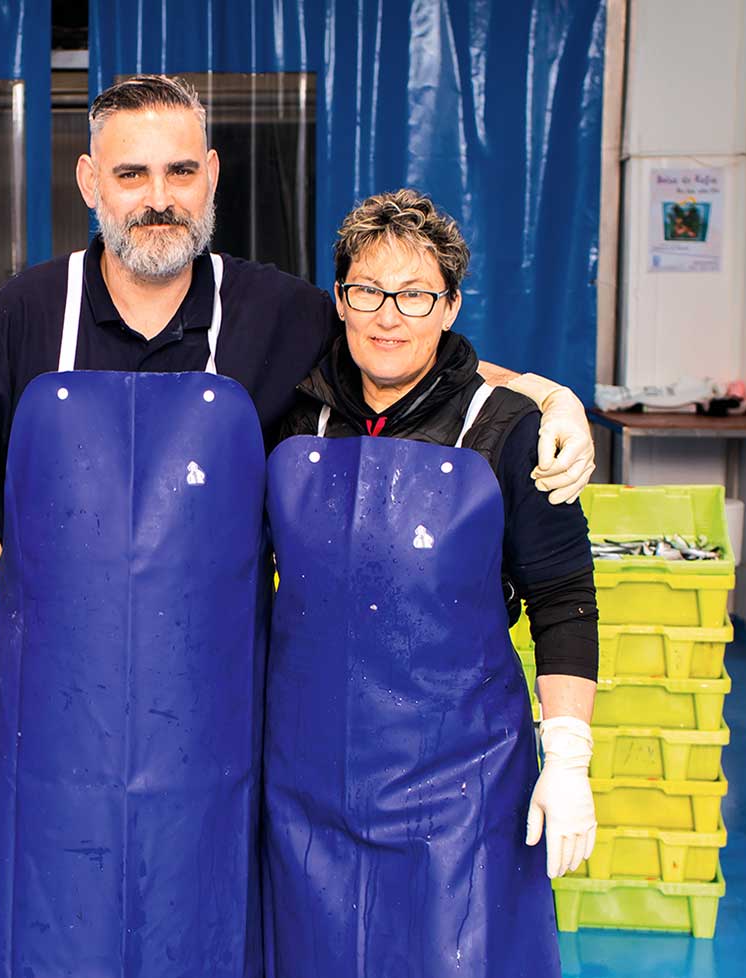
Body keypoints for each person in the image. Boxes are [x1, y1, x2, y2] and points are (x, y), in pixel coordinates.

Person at [0, 76, 595, 978]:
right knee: (45, 928)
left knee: (202, 931)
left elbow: (403, 341)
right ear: (88, 181)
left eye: (181, 170)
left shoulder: (277, 313)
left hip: (213, 717)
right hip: (49, 716)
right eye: (133, 172)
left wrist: (544, 394)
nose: (158, 197)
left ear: (213, 177)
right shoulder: (22, 318)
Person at [261, 188, 600, 978]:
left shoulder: (511, 428)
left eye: (415, 295)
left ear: (449, 306)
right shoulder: (293, 420)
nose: (388, 316)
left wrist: (571, 755)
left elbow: (563, 598)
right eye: (368, 291)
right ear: (340, 299)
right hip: (306, 782)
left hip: (461, 789)